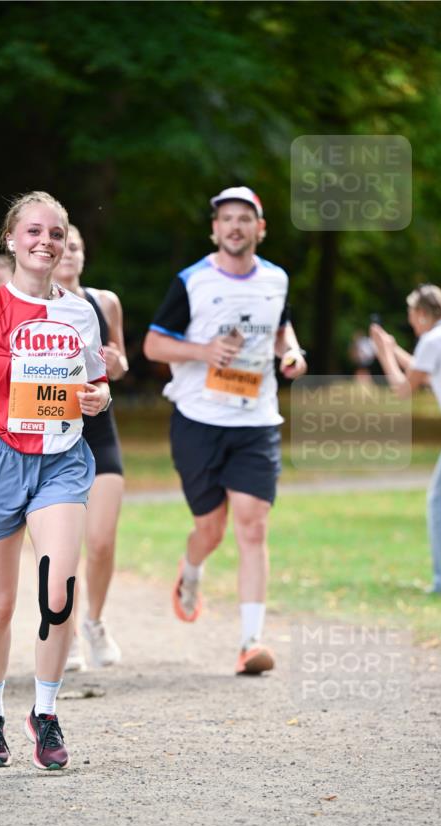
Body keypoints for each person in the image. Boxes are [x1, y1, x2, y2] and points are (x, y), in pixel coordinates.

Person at [0, 191, 110, 769]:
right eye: (34, 231)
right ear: (11, 239)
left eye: (56, 233)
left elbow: (96, 385)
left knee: (58, 593)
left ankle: (46, 711)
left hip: (61, 460)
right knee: (1, 603)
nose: (46, 242)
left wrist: (99, 398)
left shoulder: (81, 313)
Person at [143, 186, 307, 675]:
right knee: (210, 530)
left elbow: (281, 330)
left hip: (257, 420)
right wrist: (203, 352)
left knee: (253, 525)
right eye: (227, 219)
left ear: (260, 228)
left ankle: (251, 642)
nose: (235, 226)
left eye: (245, 218)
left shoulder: (276, 279)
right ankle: (191, 570)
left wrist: (291, 354)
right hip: (199, 420)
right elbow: (152, 345)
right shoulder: (192, 281)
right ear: (215, 229)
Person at [370, 284, 441, 595]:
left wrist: (384, 354)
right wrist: (395, 350)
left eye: (411, 315)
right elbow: (429, 374)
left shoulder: (433, 340)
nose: (410, 322)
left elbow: (403, 389)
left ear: (421, 314)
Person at [54, 225, 128, 670]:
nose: (68, 253)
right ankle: (66, 636)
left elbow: (117, 364)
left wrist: (116, 365)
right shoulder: (33, 304)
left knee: (100, 542)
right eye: (61, 245)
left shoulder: (105, 302)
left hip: (98, 431)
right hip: (53, 434)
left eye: (76, 246)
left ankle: (94, 622)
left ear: (83, 254)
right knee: (63, 548)